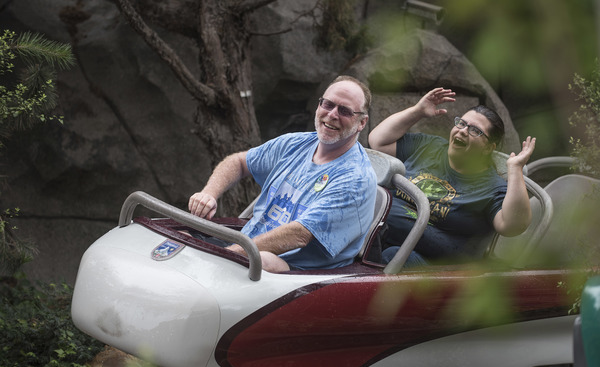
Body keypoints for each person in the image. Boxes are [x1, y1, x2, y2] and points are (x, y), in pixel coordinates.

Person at [189, 76, 377, 272]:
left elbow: (299, 234)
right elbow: (238, 162)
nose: (332, 114)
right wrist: (208, 194)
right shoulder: (295, 144)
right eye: (328, 104)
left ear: (362, 122)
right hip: (246, 247)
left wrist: (225, 256)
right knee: (182, 240)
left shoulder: (356, 179)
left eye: (344, 111)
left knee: (262, 261)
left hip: (296, 274)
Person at [368, 87, 536, 266]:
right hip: (377, 232)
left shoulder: (491, 187)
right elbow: (378, 142)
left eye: (475, 130)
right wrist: (417, 111)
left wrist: (515, 169)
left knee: (392, 255)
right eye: (461, 123)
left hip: (433, 264)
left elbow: (512, 226)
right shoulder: (429, 147)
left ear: (488, 148)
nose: (463, 131)